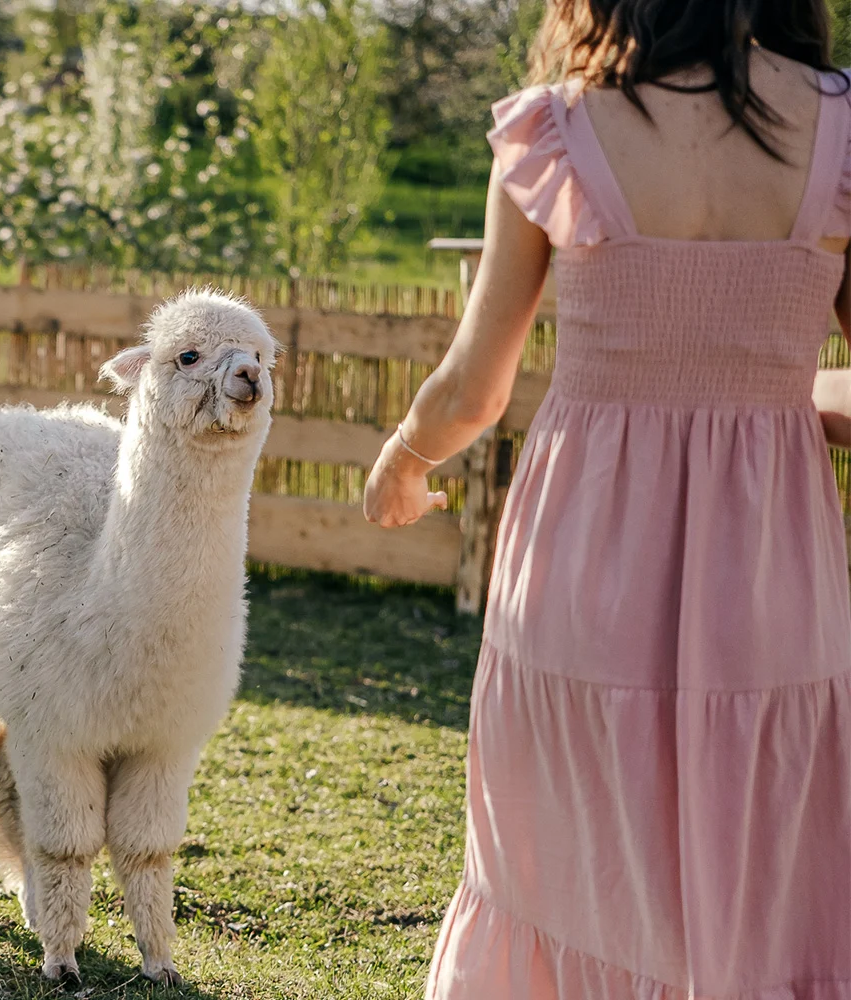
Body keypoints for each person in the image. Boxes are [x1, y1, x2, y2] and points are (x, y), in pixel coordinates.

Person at [363, 1, 851, 996]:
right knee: (753, 864)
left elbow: (474, 390)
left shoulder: (556, 125)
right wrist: (764, 392)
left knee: (566, 865)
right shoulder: (838, 123)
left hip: (582, 566)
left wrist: (405, 457)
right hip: (771, 578)